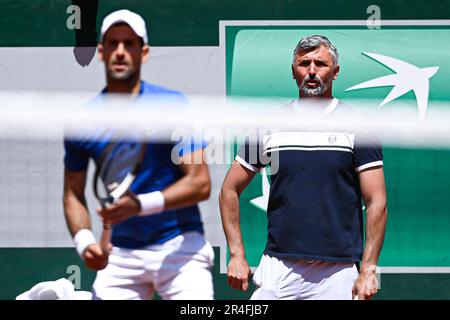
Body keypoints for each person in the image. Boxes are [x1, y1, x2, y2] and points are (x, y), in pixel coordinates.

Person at [219, 35, 387, 300]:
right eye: (303, 63)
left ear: (336, 72)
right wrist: (237, 254)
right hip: (278, 268)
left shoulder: (360, 126)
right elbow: (229, 189)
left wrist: (368, 269)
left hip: (338, 273)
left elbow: (376, 200)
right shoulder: (268, 125)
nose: (311, 71)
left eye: (320, 63)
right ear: (293, 71)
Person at [63, 9, 214, 300]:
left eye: (129, 44)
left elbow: (199, 183)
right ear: (101, 52)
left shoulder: (172, 106)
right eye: (113, 44)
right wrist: (84, 242)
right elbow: (72, 193)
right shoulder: (83, 120)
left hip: (180, 248)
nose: (121, 52)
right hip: (120, 254)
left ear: (143, 53)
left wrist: (139, 205)